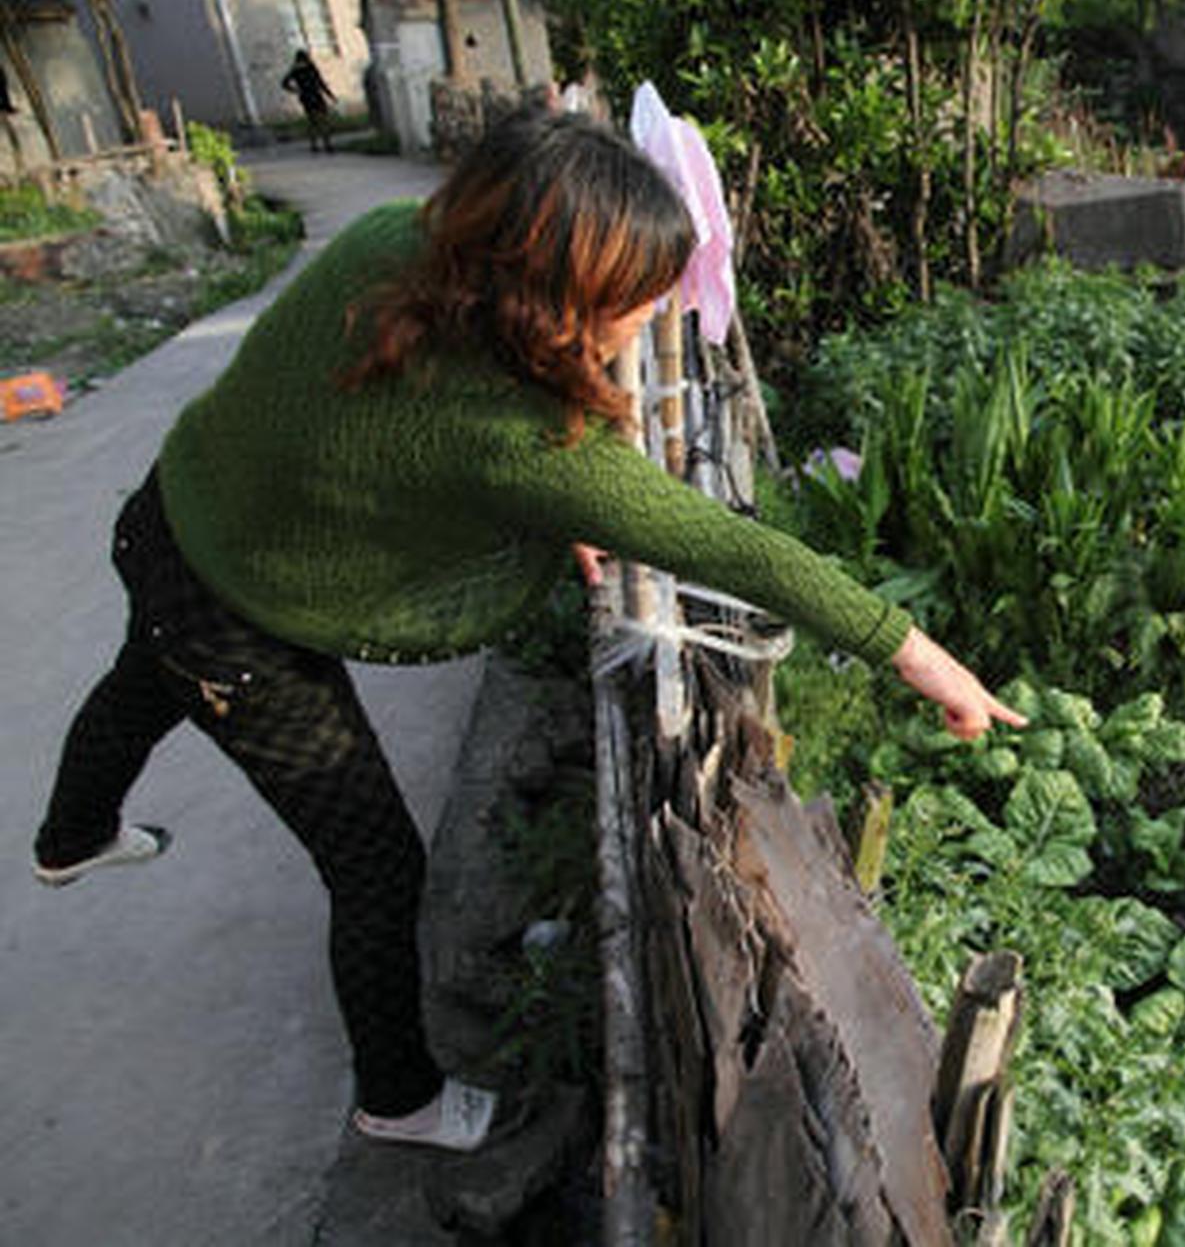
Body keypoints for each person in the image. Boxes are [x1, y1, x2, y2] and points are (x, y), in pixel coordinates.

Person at [31, 108, 1024, 1153]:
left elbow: (374, 443)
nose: (647, 321)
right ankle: (396, 1093)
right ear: (552, 300)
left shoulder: (390, 249)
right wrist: (916, 652)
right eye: (634, 303)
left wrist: (549, 515)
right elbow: (735, 549)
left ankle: (71, 837)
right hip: (240, 623)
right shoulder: (527, 441)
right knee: (374, 865)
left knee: (147, 671)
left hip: (169, 517)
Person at [281, 49, 336, 153]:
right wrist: (330, 95)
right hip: (315, 95)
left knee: (313, 122)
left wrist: (296, 90)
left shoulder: (295, 70)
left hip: (305, 96)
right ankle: (327, 144)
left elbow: (284, 83)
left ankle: (314, 145)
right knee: (323, 120)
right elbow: (320, 82)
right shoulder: (311, 67)